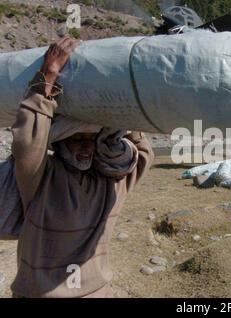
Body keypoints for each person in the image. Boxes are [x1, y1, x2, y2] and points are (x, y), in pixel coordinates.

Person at [9, 36, 154, 298]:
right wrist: (49, 74)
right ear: (59, 143)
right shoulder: (42, 179)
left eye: (91, 139)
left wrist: (125, 111)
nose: (86, 147)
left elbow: (142, 153)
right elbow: (28, 143)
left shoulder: (112, 182)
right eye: (76, 139)